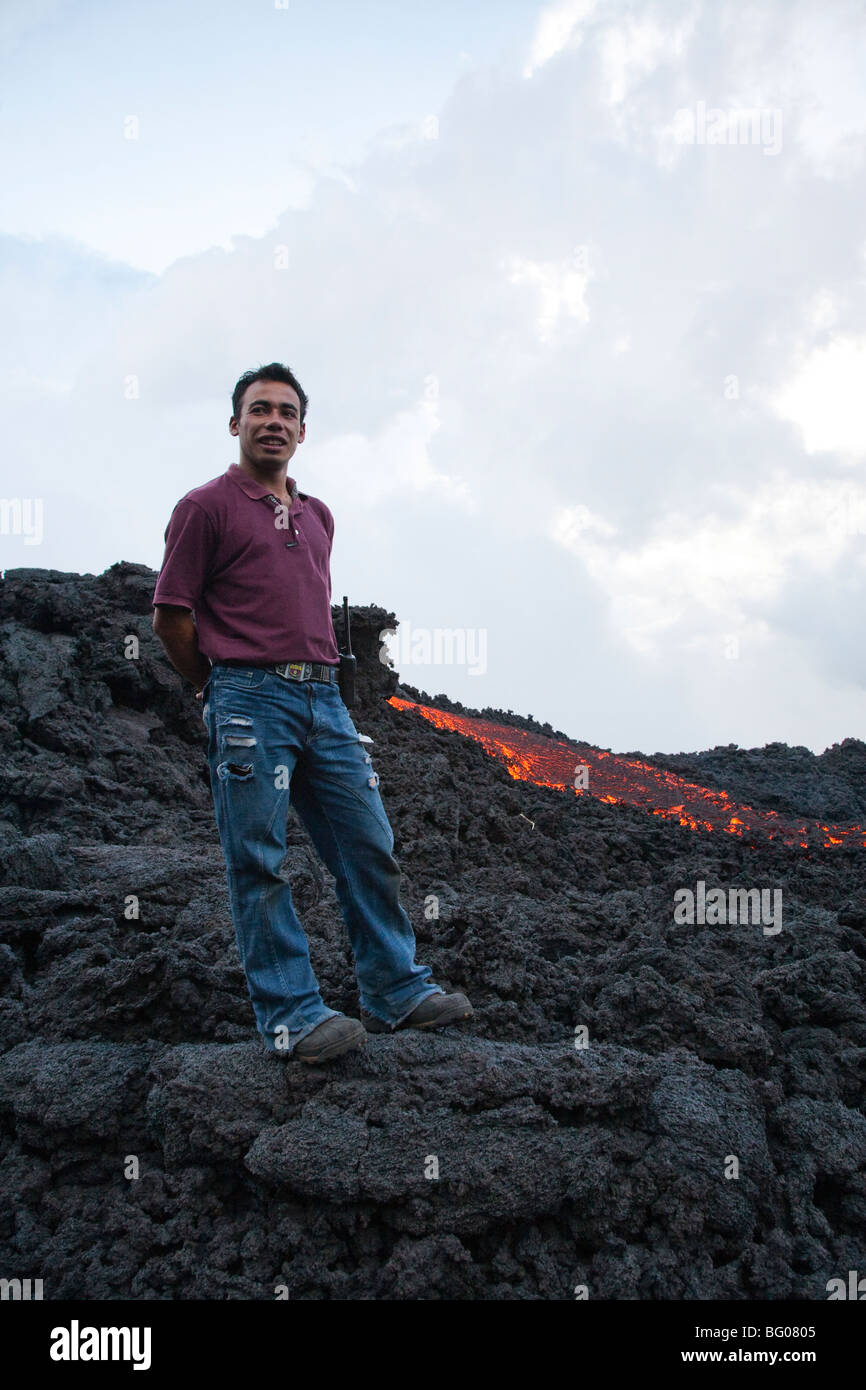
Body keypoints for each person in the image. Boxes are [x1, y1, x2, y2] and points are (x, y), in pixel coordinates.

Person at [151, 362, 473, 1063]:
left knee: (369, 845)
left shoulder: (318, 515)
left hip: (323, 699)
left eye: (287, 412)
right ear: (235, 424)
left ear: (302, 429)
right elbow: (171, 616)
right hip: (248, 698)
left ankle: (396, 991)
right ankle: (292, 1014)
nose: (274, 421)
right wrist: (218, 685)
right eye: (259, 409)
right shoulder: (205, 507)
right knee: (259, 859)